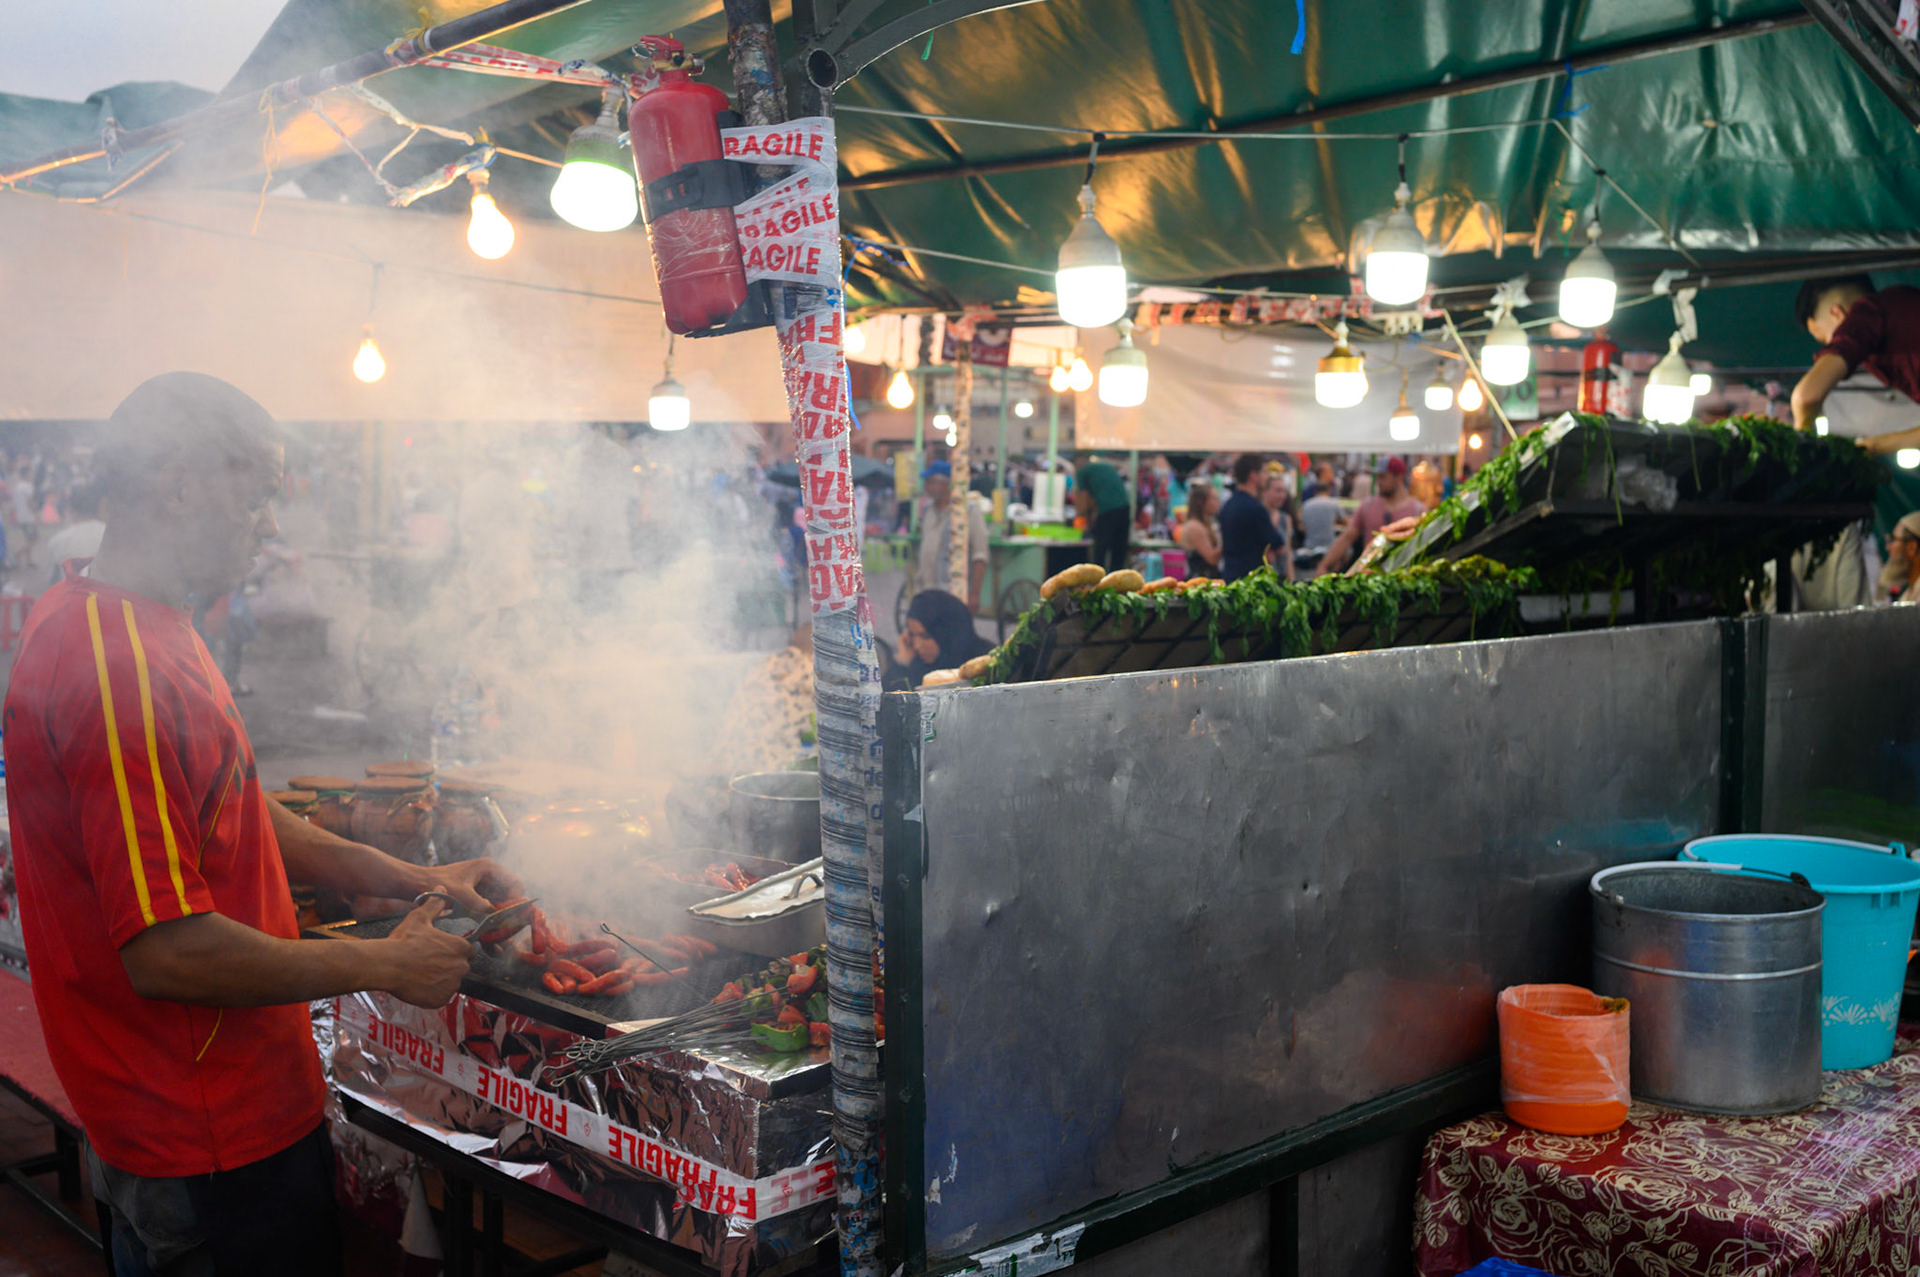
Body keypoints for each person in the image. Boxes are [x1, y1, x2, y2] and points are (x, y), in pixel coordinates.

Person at [3, 373, 522, 1277]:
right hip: (200, 1133)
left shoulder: (146, 619)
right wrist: (384, 963)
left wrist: (417, 880)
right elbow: (165, 952)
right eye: (260, 495)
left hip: (217, 1110)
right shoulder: (116, 666)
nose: (273, 525)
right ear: (181, 484)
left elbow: (234, 804)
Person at [1790, 275, 1920, 452]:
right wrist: (1873, 446)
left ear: (1838, 314)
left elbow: (1806, 397)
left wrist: (1803, 438)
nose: (1831, 346)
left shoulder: (1866, 313)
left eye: (1829, 340)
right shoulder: (1901, 305)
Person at [1317, 456, 1426, 575]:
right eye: (1377, 477)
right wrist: (1324, 565)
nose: (1378, 482)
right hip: (1370, 579)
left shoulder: (1418, 510)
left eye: (1383, 477)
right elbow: (1347, 537)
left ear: (1399, 477)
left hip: (1404, 580)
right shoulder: (1367, 506)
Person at [914, 460, 989, 609]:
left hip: (953, 593)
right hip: (926, 591)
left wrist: (974, 594)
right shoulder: (928, 509)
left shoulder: (968, 510)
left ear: (946, 484)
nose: (926, 487)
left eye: (931, 482)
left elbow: (980, 555)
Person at [887, 589, 993, 690]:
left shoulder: (987, 664)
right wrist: (902, 664)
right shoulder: (920, 666)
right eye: (912, 635)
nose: (917, 645)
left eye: (925, 636)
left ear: (945, 633)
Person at [1217, 453, 1287, 582]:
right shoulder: (1255, 509)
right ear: (1253, 476)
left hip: (1230, 577)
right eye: (1264, 472)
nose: (1266, 478)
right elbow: (1278, 545)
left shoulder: (1226, 506)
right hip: (1252, 582)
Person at [1073, 452, 1132, 572]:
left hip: (1108, 511)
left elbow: (1083, 500)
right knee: (1119, 553)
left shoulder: (1081, 472)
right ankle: (1118, 585)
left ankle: (1098, 582)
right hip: (1125, 509)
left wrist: (1082, 519)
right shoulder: (1105, 467)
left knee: (1100, 552)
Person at [43, 479, 106, 585]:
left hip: (71, 599)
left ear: (70, 508)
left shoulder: (58, 541)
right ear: (99, 507)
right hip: (109, 599)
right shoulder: (111, 535)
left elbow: (52, 582)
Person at [1177, 479, 1223, 578]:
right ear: (1201, 502)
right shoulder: (1195, 527)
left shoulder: (1205, 524)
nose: (1218, 502)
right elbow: (1212, 559)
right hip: (1200, 584)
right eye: (1215, 499)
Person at [1262, 471, 1298, 582]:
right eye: (1278, 491)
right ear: (1265, 491)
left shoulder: (1285, 519)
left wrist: (1291, 581)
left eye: (1284, 491)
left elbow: (1288, 553)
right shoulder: (1258, 517)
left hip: (1280, 578)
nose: (1282, 496)